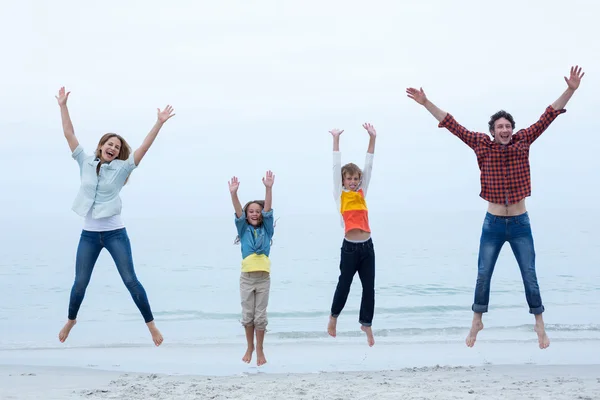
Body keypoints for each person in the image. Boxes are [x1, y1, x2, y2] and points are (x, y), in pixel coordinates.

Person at [406, 66, 585, 350]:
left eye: (507, 126)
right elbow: (452, 124)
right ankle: (476, 321)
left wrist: (571, 90)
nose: (504, 130)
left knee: (529, 273)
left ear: (512, 130)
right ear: (492, 131)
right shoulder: (481, 145)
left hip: (519, 223)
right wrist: (426, 103)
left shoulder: (524, 140)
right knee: (483, 273)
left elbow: (549, 115)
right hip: (492, 224)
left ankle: (539, 325)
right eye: (499, 127)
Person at [55, 86, 175, 346]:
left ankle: (152, 326)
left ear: (118, 153)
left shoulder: (122, 169)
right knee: (80, 283)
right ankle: (71, 320)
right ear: (100, 147)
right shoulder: (84, 161)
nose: (112, 147)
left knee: (130, 280)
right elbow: (68, 133)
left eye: (117, 147)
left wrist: (159, 123)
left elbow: (144, 147)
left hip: (114, 233)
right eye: (109, 144)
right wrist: (63, 105)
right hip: (89, 235)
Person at [327, 123, 377, 347]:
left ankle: (366, 324)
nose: (354, 181)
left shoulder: (362, 192)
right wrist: (336, 139)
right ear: (343, 180)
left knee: (369, 287)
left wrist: (372, 138)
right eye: (349, 179)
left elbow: (369, 163)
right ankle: (333, 318)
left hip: (367, 247)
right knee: (344, 284)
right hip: (349, 248)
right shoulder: (340, 195)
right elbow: (336, 163)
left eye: (356, 178)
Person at [228, 171, 275, 366]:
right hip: (246, 278)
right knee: (247, 316)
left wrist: (268, 188)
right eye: (251, 211)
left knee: (260, 316)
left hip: (263, 278)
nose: (255, 213)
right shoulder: (244, 229)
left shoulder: (267, 229)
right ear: (247, 216)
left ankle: (261, 349)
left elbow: (268, 210)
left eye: (258, 211)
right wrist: (234, 194)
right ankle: (250, 347)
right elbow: (238, 212)